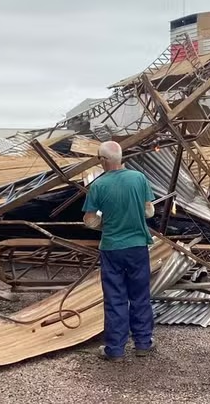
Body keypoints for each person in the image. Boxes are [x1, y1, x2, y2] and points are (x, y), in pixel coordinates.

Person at [82, 140, 156, 361]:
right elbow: (149, 211)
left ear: (104, 160)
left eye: (99, 158)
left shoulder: (98, 185)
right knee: (140, 295)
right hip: (137, 247)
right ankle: (143, 343)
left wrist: (107, 222)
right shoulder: (139, 178)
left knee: (115, 298)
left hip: (112, 248)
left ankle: (115, 349)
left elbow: (89, 220)